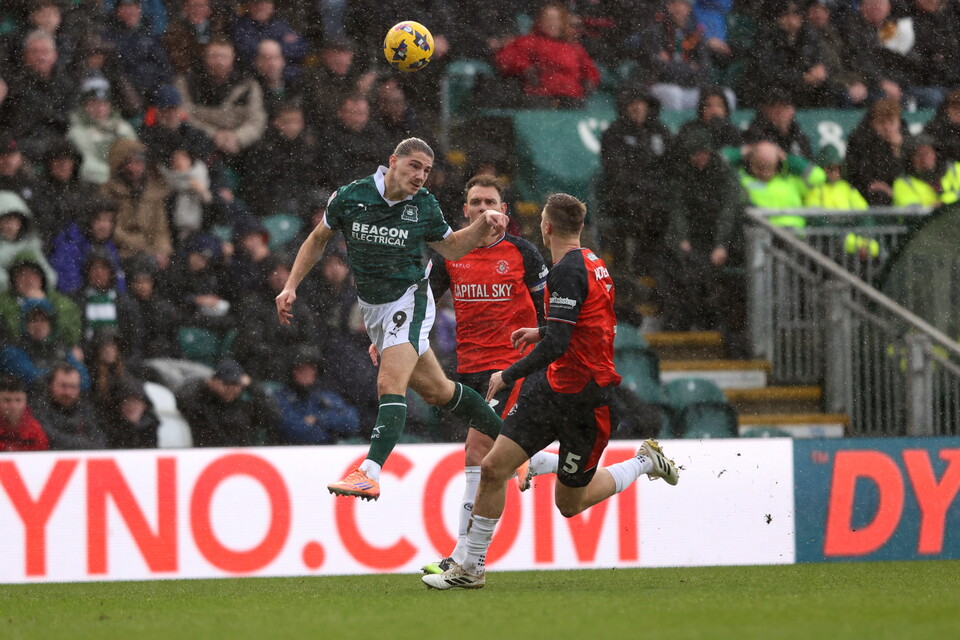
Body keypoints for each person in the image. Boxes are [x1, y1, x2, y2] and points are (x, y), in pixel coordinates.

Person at [422, 193, 679, 590]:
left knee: (569, 504)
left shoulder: (566, 270)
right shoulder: (593, 262)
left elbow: (561, 341)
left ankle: (643, 463)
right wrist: (541, 331)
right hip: (551, 389)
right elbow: (582, 325)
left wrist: (509, 373)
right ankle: (470, 568)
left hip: (587, 400)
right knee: (492, 466)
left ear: (546, 228)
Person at [276, 137, 511, 501]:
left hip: (410, 299)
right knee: (439, 391)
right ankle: (518, 446)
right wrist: (291, 285)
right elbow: (318, 238)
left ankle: (369, 472)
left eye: (427, 171)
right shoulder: (351, 196)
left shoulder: (424, 205)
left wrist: (483, 225)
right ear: (393, 162)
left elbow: (452, 247)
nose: (421, 176)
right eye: (415, 166)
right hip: (373, 308)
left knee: (389, 382)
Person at [419, 174, 557, 574]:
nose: (483, 209)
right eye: (476, 202)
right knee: (496, 454)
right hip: (469, 370)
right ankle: (545, 462)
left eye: (490, 202)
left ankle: (462, 556)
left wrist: (540, 360)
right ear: (465, 211)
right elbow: (424, 304)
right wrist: (392, 339)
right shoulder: (450, 255)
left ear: (504, 211)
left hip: (510, 368)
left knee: (476, 452)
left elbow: (547, 315)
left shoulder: (524, 253)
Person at [494, 2, 601, 108]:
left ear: (562, 22)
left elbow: (590, 69)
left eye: (556, 19)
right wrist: (525, 67)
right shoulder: (530, 42)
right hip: (540, 96)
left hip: (571, 98)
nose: (552, 23)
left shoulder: (575, 48)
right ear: (540, 22)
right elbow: (505, 57)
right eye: (548, 19)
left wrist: (590, 80)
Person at [175, 358, 282, 447]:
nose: (232, 389)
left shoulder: (244, 407)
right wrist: (205, 385)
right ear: (214, 382)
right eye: (227, 384)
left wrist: (252, 386)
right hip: (207, 458)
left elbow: (274, 416)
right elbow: (182, 398)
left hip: (241, 460)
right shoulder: (202, 403)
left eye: (236, 384)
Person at [32, 362, 106, 450]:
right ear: (50, 386)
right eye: (63, 386)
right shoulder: (39, 406)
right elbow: (48, 436)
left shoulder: (85, 408)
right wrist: (82, 444)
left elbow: (98, 438)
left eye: (73, 387)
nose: (68, 392)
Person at [0, 374, 48, 451]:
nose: (13, 406)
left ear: (25, 402)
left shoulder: (35, 430)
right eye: (7, 400)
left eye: (18, 400)